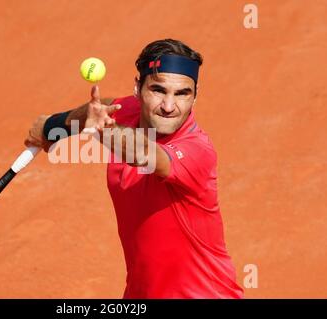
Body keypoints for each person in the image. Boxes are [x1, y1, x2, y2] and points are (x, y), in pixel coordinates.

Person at [25, 39, 244, 298]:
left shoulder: (198, 150)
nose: (169, 106)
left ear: (195, 96)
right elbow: (99, 107)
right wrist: (52, 125)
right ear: (138, 89)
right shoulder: (125, 111)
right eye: (158, 90)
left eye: (182, 94)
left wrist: (102, 128)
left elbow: (144, 154)